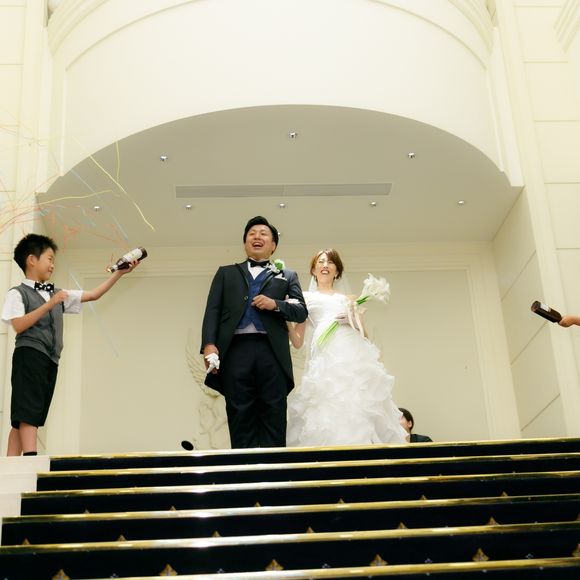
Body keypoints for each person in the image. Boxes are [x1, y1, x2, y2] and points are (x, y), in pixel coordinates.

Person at [1, 234, 139, 456]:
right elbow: (18, 324)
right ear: (31, 260)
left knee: (25, 415)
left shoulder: (56, 294)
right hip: (30, 354)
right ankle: (30, 458)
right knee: (28, 412)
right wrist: (50, 304)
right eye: (49, 259)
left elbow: (93, 295)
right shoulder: (18, 293)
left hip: (50, 359)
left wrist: (119, 273)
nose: (53, 265)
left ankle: (9, 465)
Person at [200, 216, 307, 449]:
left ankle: (275, 468)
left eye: (263, 233)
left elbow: (301, 311)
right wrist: (209, 344)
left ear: (273, 245)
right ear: (245, 242)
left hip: (272, 351)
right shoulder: (226, 273)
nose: (257, 237)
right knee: (239, 412)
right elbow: (212, 311)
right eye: (252, 233)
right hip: (236, 350)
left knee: (274, 411)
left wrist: (275, 304)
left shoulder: (287, 275)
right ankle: (242, 468)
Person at [286, 249, 407, 446]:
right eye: (321, 262)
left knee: (356, 396)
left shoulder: (349, 299)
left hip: (351, 351)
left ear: (337, 271)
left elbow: (365, 336)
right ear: (313, 270)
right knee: (327, 398)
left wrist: (352, 320)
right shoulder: (305, 298)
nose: (325, 265)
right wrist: (285, 319)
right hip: (324, 354)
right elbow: (298, 341)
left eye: (330, 262)